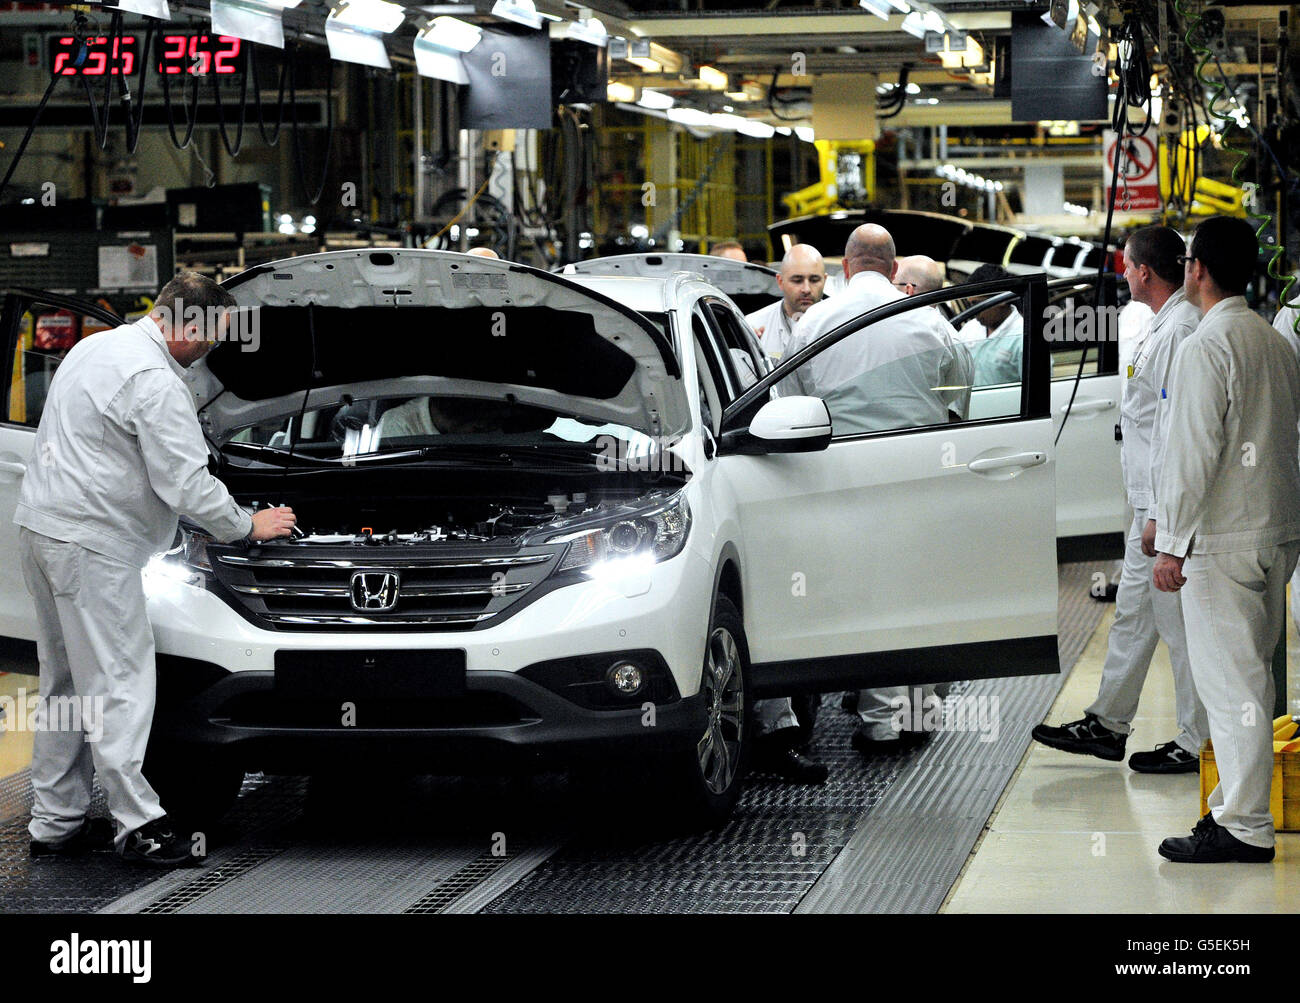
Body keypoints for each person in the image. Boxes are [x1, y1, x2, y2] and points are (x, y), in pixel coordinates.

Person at [15, 272, 296, 867]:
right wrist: (249, 525)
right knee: (119, 682)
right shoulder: (155, 383)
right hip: (94, 545)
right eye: (211, 339)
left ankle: (55, 822)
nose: (210, 353)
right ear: (187, 326)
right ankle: (139, 823)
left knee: (65, 682)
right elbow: (187, 486)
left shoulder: (95, 346)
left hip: (41, 528)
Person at [776, 224, 968, 756]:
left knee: (872, 594)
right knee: (921, 587)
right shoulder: (931, 321)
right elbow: (957, 406)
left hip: (846, 476)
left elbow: (791, 404)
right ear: (892, 266)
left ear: (845, 265)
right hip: (924, 471)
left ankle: (883, 722)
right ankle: (920, 710)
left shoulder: (814, 321)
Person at [1031, 226, 1208, 773]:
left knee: (1178, 624)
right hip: (1147, 508)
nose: (1123, 274)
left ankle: (1196, 740)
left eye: (1126, 266)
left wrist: (1160, 516)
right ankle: (1108, 724)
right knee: (1133, 613)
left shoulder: (1180, 330)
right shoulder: (1162, 324)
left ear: (1145, 272)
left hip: (1165, 510)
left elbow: (1178, 432)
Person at [1153, 216, 1300, 863]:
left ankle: (1243, 821)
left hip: (1222, 539)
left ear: (1198, 269)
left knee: (1233, 683)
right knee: (1253, 678)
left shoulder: (1206, 346)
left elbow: (1193, 452)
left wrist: (1171, 541)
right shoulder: (1273, 340)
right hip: (1275, 532)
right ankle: (1241, 811)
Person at [743, 244, 827, 363]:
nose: (806, 289)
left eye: (814, 280)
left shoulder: (842, 324)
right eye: (797, 280)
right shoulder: (754, 326)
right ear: (780, 281)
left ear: (825, 280)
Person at [957, 264, 1023, 386]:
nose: (974, 311)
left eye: (977, 304)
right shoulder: (969, 329)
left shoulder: (1023, 335)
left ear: (1001, 299)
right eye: (970, 305)